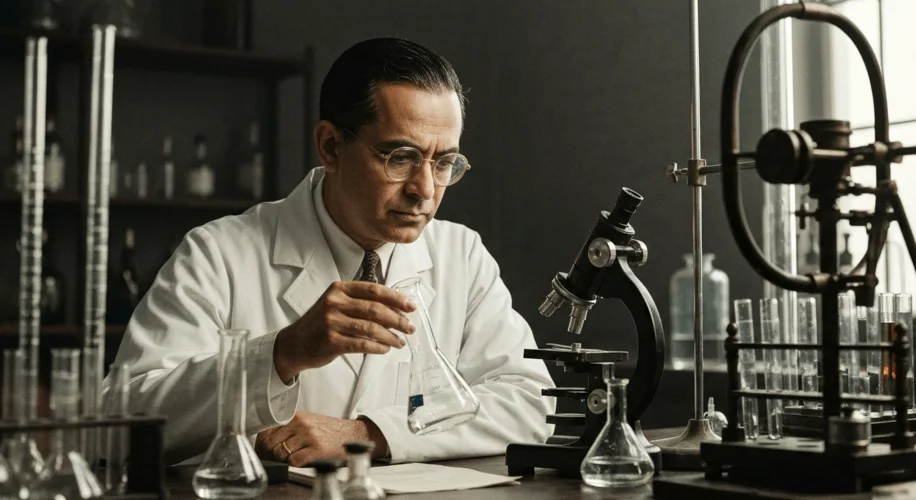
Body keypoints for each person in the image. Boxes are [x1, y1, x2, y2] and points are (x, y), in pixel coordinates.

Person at [102, 37, 555, 467]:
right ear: (331, 146)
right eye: (400, 157)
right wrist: (282, 353)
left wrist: (366, 434)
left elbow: (530, 405)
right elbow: (118, 425)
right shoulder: (218, 253)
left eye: (443, 163)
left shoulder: (462, 255)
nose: (424, 191)